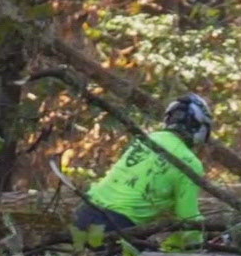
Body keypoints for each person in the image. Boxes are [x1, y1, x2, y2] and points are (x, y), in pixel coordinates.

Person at [73, 94, 212, 236]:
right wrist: (200, 245)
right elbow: (188, 217)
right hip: (117, 225)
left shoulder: (148, 138)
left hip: (85, 212)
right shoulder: (190, 163)